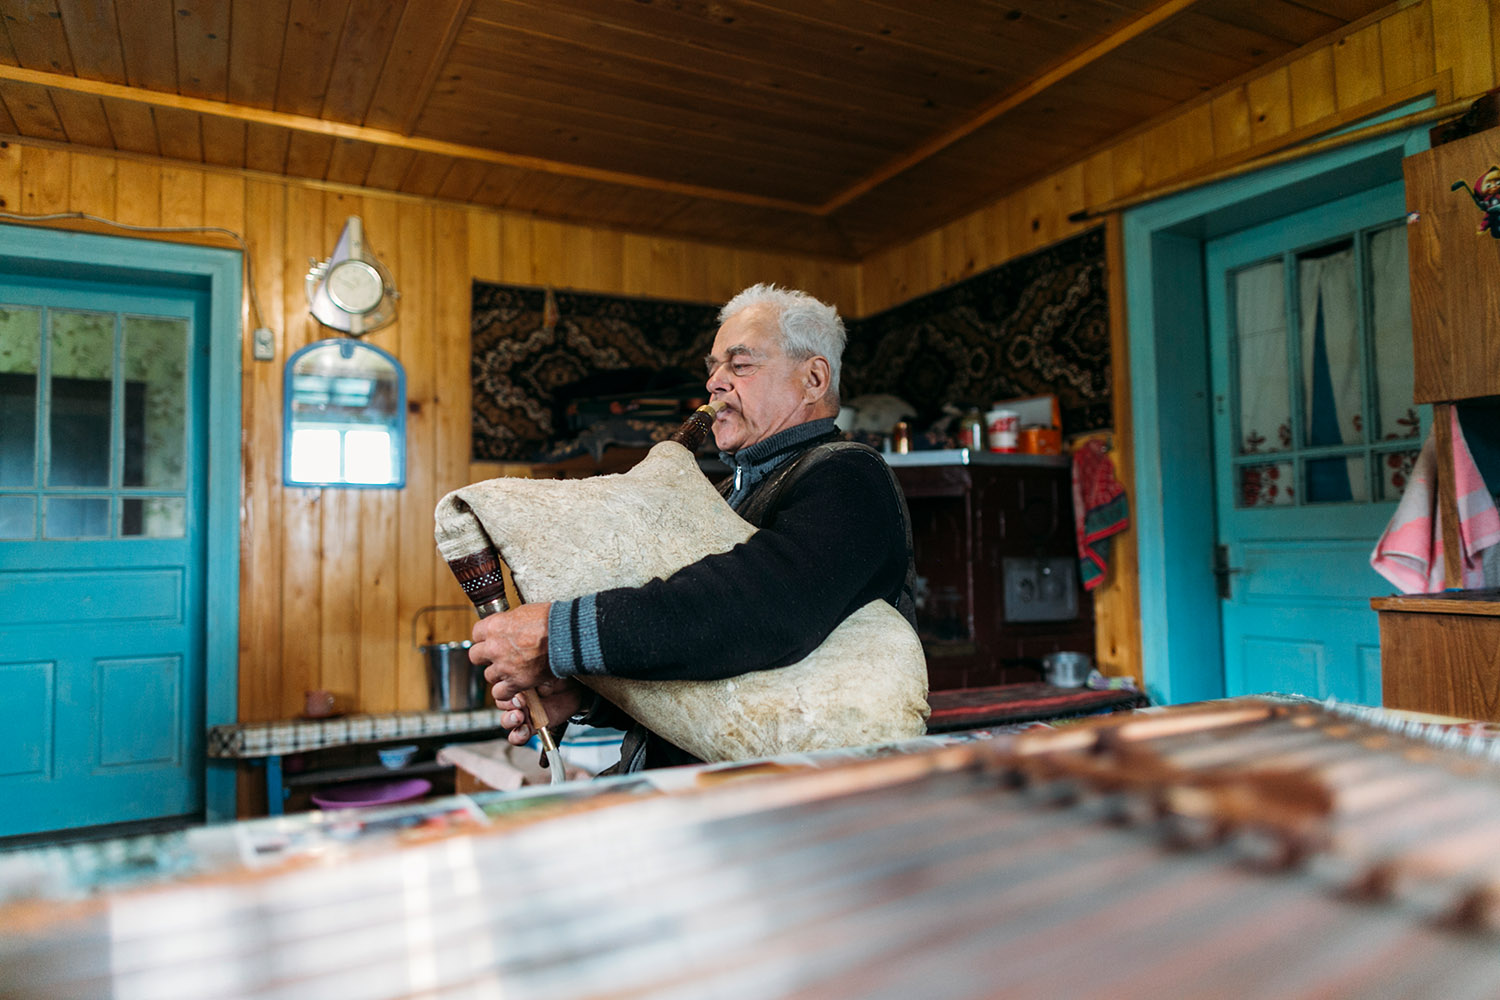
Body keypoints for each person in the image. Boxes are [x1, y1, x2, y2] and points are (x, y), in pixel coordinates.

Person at [470, 283, 916, 772]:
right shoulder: (723, 494)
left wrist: (559, 636)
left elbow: (759, 609)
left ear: (813, 378)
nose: (715, 384)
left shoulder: (849, 474)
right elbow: (716, 677)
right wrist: (581, 698)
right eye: (714, 368)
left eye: (740, 365)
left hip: (790, 806)